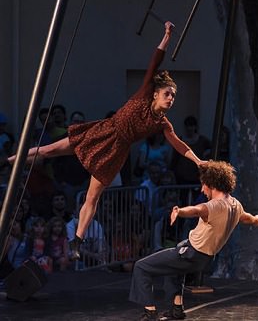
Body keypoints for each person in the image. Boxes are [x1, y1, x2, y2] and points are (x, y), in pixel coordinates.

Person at [8, 22, 206, 260]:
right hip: (103, 131)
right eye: (168, 94)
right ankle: (10, 160)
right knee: (50, 149)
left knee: (93, 197)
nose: (171, 99)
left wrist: (198, 161)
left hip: (116, 151)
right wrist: (166, 36)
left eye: (174, 96)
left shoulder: (162, 123)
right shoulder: (144, 93)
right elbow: (156, 60)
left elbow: (179, 145)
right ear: (156, 93)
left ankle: (76, 242)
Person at [129, 160, 258, 321]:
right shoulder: (235, 205)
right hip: (204, 258)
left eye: (203, 185)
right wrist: (256, 219)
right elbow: (247, 218)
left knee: (141, 267)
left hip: (192, 253)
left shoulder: (214, 205)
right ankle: (177, 309)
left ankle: (150, 312)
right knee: (173, 269)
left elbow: (196, 210)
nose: (202, 189)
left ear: (211, 184)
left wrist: (179, 211)